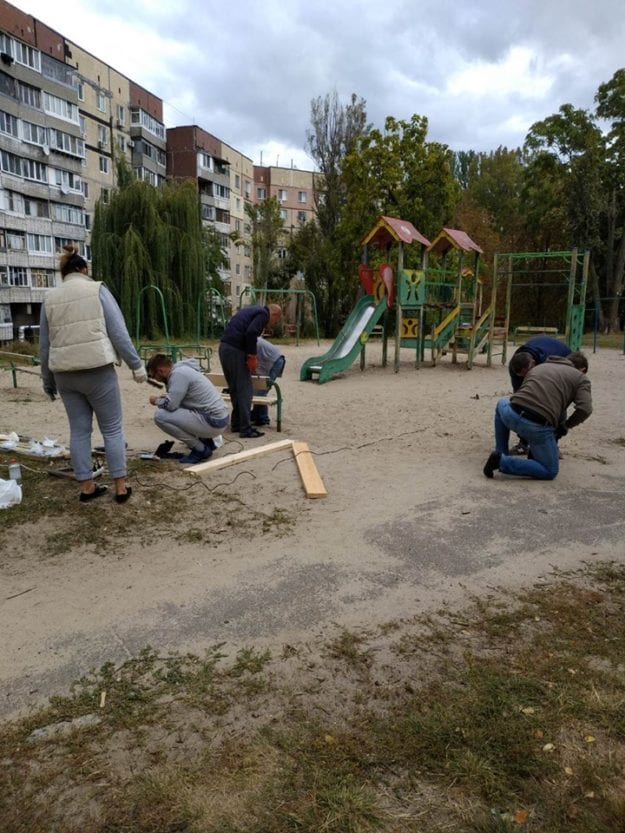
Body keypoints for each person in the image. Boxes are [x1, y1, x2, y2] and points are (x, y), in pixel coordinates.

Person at [39, 243, 146, 504]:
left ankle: (87, 486)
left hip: (64, 373)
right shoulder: (96, 289)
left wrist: (48, 381)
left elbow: (44, 345)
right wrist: (136, 365)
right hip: (97, 369)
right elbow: (118, 332)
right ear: (83, 269)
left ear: (64, 273)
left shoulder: (49, 298)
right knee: (111, 429)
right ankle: (120, 487)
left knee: (78, 431)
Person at [483, 352, 592, 481]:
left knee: (501, 404)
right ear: (582, 370)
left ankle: (500, 452)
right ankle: (502, 462)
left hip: (512, 413)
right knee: (550, 470)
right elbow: (585, 409)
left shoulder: (539, 367)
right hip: (537, 426)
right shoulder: (580, 378)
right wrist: (566, 426)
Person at [146, 354, 229, 464]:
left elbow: (171, 406)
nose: (155, 379)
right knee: (176, 409)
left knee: (160, 416)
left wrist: (156, 400)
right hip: (218, 418)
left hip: (213, 422)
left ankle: (200, 449)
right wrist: (167, 399)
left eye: (153, 376)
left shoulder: (178, 375)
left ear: (160, 371)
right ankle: (207, 441)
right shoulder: (183, 370)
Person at [218, 303, 282, 438]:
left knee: (235, 388)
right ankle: (246, 429)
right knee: (245, 390)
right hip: (235, 350)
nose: (272, 324)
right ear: (275, 314)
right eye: (276, 321)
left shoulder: (250, 310)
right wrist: (252, 356)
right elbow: (252, 332)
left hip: (224, 348)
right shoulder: (263, 314)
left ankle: (236, 424)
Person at [508, 335, 572, 454]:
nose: (525, 378)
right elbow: (518, 394)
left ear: (533, 364)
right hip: (542, 349)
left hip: (563, 358)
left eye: (527, 374)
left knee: (555, 405)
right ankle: (523, 444)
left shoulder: (548, 365)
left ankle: (553, 445)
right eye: (521, 376)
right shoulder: (514, 366)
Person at [250, 336, 285, 427]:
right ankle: (257, 415)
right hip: (273, 360)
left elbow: (253, 364)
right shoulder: (251, 339)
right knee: (259, 389)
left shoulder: (251, 343)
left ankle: (263, 418)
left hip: (275, 361)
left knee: (262, 389)